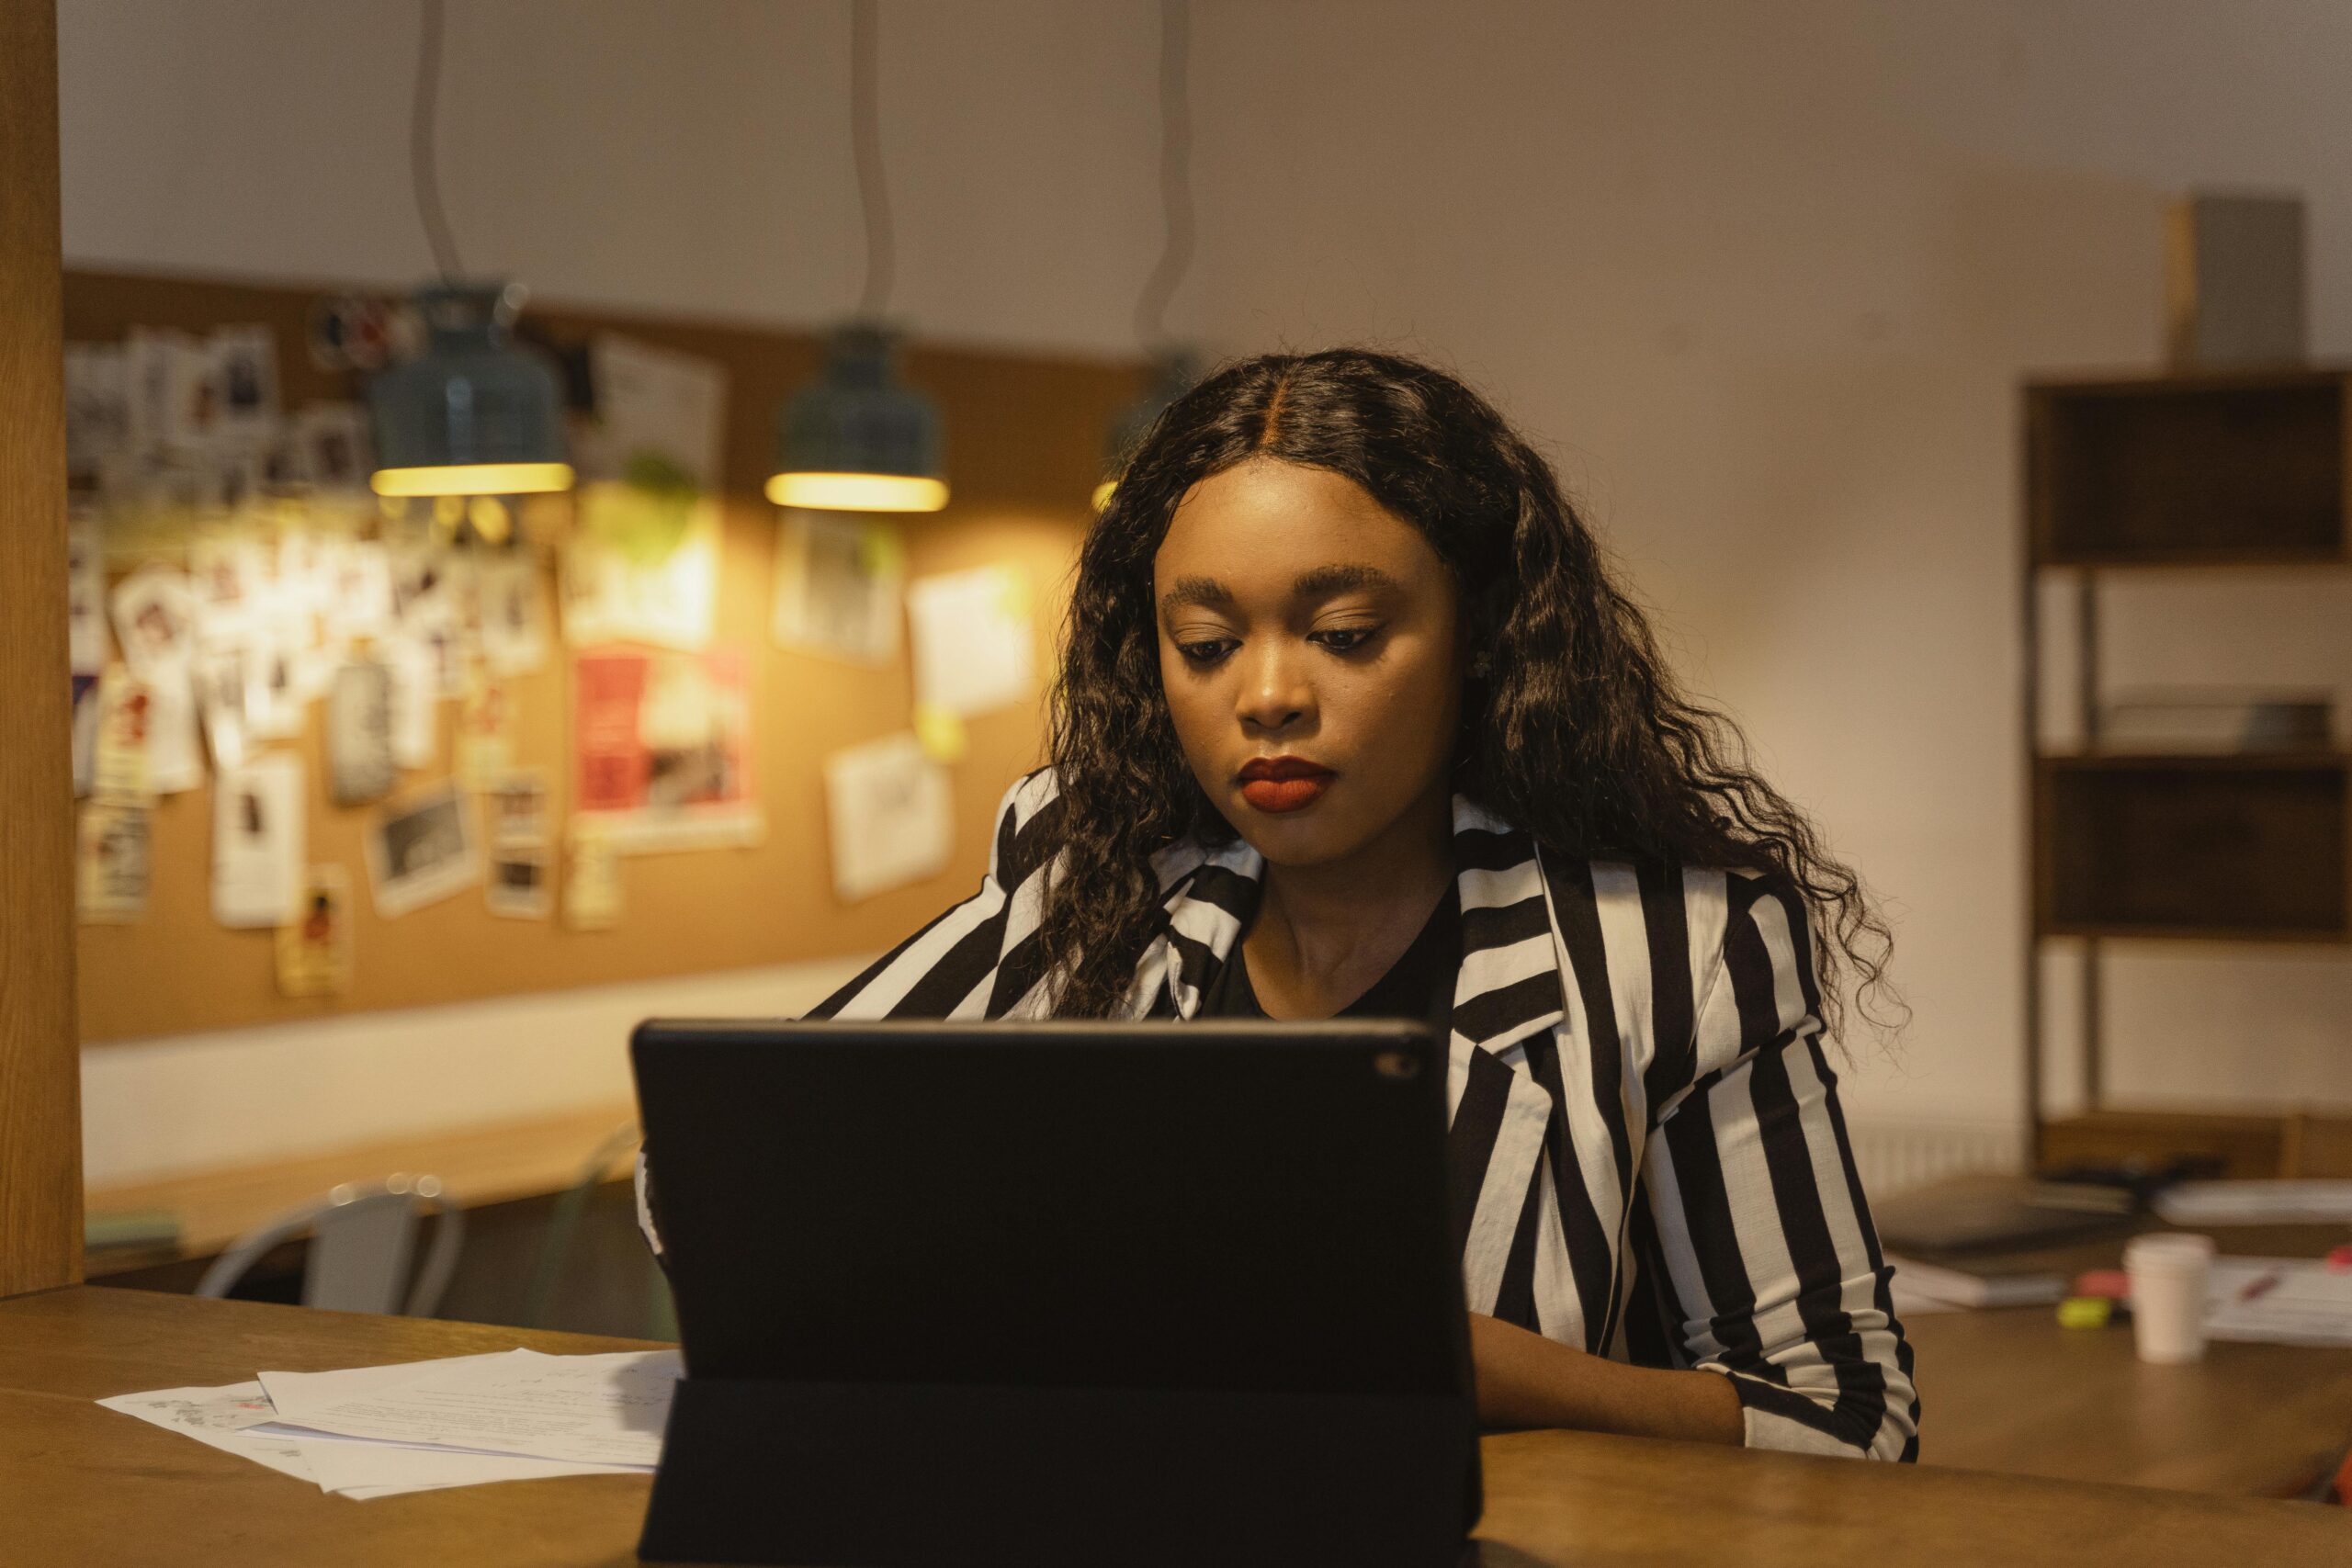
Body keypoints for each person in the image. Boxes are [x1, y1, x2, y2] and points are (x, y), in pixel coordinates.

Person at [638, 348, 1917, 1461]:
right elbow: (705, 1178)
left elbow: (1849, 1423)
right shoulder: (1095, 871)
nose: (1267, 697)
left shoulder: (1671, 948)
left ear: (1481, 635)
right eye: (1205, 645)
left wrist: (1474, 1370)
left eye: (1346, 632)